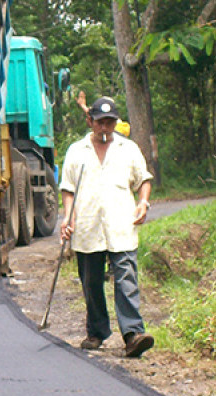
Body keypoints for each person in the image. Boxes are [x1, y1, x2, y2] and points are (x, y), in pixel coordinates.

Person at [59, 97, 154, 358]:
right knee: (91, 282)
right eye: (100, 123)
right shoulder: (77, 152)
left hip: (121, 224)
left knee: (126, 278)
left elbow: (143, 180)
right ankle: (97, 332)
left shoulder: (128, 148)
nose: (105, 128)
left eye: (110, 123)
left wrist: (143, 203)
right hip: (88, 227)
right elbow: (68, 189)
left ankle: (133, 334)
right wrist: (68, 217)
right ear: (90, 122)